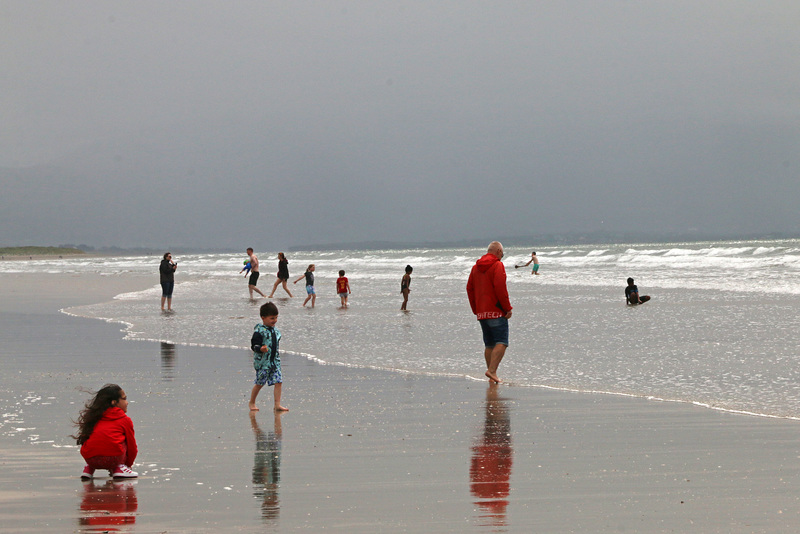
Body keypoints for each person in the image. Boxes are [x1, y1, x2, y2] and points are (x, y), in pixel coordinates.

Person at [467, 241, 513, 384]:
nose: (502, 257)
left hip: (482, 312)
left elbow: (469, 289)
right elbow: (500, 288)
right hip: (496, 310)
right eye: (502, 254)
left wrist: (476, 309)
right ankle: (492, 371)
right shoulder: (497, 265)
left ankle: (492, 374)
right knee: (502, 342)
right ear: (499, 251)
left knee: (489, 344)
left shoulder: (475, 268)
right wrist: (507, 308)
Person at [72, 384, 138, 479]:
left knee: (97, 439)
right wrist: (127, 465)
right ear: (114, 402)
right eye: (124, 399)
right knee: (121, 441)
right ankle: (119, 468)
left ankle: (89, 469)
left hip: (90, 459)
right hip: (114, 459)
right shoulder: (124, 420)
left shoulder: (94, 418)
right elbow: (132, 447)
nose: (127, 402)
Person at [249, 302, 288, 412]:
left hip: (275, 362)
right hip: (263, 363)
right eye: (272, 318)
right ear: (263, 318)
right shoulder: (259, 331)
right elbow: (254, 345)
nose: (275, 320)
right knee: (259, 383)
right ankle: (252, 402)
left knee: (278, 382)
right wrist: (260, 349)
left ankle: (277, 405)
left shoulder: (275, 331)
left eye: (276, 317)